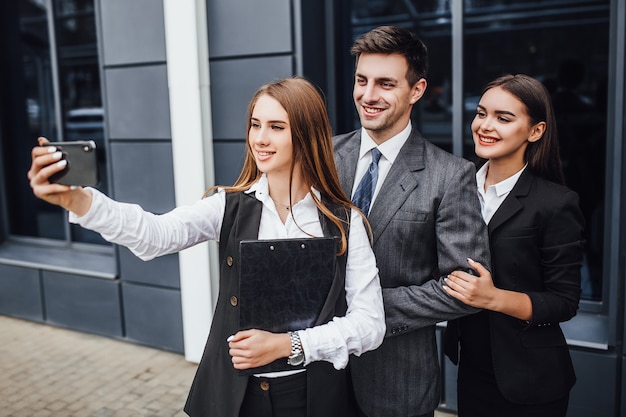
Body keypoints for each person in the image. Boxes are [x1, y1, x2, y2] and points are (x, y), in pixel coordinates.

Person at [28, 77, 385, 417]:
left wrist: (289, 345)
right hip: (234, 397)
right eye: (255, 124)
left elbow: (370, 325)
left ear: (306, 136)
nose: (259, 138)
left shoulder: (344, 223)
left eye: (276, 127)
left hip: (314, 398)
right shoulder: (226, 206)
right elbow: (156, 234)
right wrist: (78, 200)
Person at [332, 25, 491, 417]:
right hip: (321, 376)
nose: (368, 96)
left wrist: (366, 308)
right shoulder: (323, 156)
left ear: (416, 90)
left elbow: (463, 288)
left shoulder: (450, 175)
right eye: (361, 80)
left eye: (385, 84)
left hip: (397, 379)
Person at [442, 74, 585, 417]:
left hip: (531, 377)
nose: (485, 126)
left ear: (535, 131)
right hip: (472, 368)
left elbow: (563, 302)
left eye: (503, 118)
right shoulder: (454, 189)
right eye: (481, 113)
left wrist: (493, 298)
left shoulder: (555, 203)